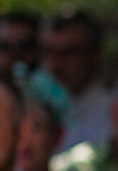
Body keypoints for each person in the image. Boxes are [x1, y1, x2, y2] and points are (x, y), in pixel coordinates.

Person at [43, 11, 113, 149]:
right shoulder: (37, 104)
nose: (57, 62)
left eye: (69, 52)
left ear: (94, 55)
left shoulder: (112, 110)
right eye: (50, 51)